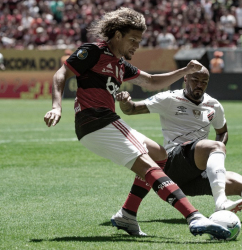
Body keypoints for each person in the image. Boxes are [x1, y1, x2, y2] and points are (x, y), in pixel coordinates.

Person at [43, 7, 231, 240]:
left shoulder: (121, 65)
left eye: (139, 41)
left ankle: (127, 214)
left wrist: (185, 70)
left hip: (103, 123)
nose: (136, 45)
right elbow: (61, 74)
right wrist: (56, 106)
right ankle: (194, 217)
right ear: (117, 35)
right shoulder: (92, 51)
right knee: (148, 164)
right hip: (96, 120)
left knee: (159, 155)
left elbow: (151, 82)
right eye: (133, 39)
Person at [112, 66, 242, 236]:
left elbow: (223, 132)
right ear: (185, 79)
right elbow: (131, 110)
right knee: (214, 146)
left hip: (192, 173)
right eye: (195, 80)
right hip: (172, 163)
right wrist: (125, 102)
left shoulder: (214, 105)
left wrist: (215, 159)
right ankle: (220, 202)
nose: (199, 85)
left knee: (238, 181)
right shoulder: (168, 98)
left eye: (204, 82)